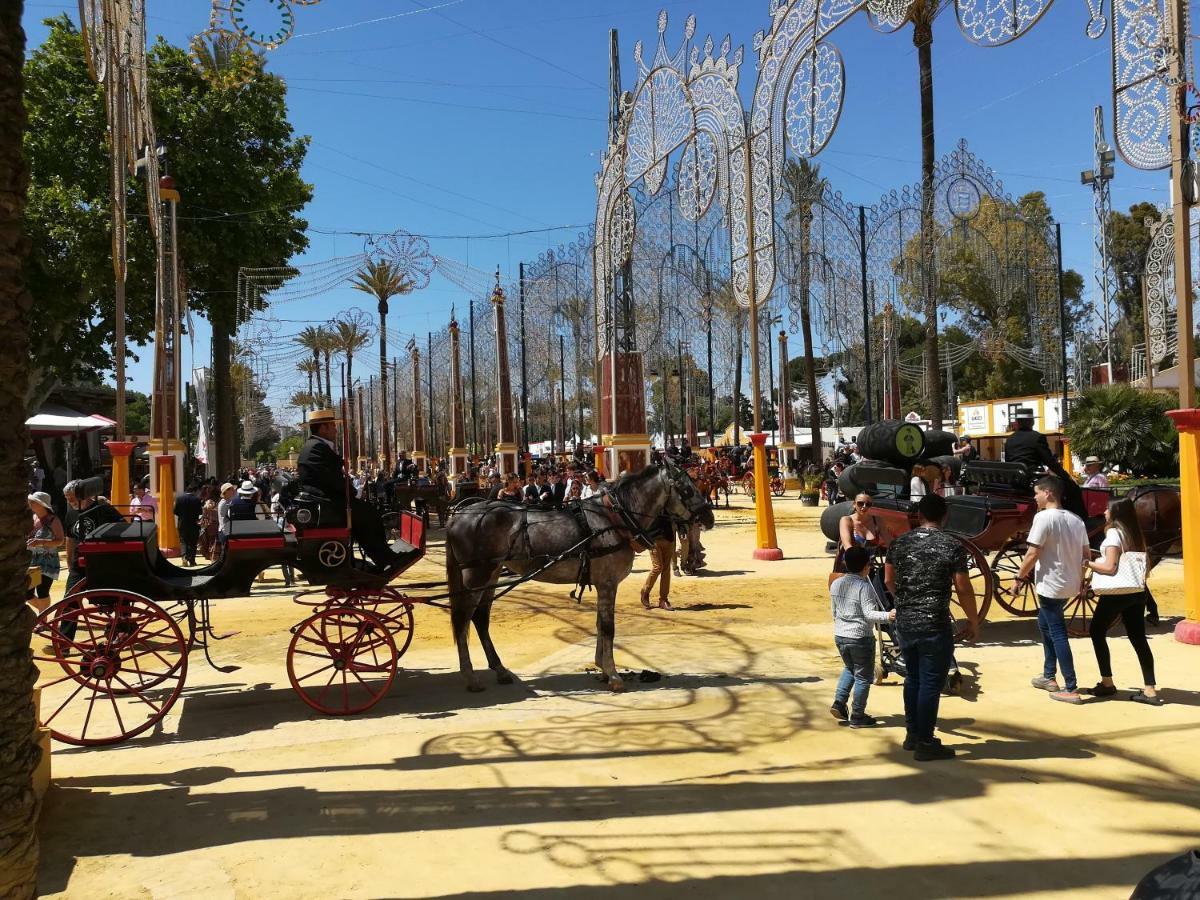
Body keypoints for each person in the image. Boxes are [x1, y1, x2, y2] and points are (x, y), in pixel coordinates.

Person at [885, 494, 980, 760]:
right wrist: (973, 620)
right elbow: (963, 586)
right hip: (934, 622)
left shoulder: (899, 543)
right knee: (929, 682)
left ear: (918, 516)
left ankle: (913, 734)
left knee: (912, 678)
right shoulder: (952, 545)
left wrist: (904, 600)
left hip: (905, 622)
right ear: (944, 515)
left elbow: (888, 579)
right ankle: (926, 742)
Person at [1014, 475, 1090, 705]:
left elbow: (1032, 552)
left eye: (1037, 492)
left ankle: (1070, 686)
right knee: (1045, 623)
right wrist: (1084, 579)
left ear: (1048, 493)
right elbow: (1086, 554)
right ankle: (1049, 676)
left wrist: (1018, 577)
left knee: (1056, 631)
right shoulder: (1076, 520)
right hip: (1069, 581)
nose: (1034, 497)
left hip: (1051, 583)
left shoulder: (1043, 518)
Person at [297, 409, 399, 568]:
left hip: (324, 498)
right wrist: (352, 492)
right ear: (323, 428)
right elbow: (332, 480)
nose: (336, 430)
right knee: (369, 514)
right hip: (325, 501)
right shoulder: (317, 448)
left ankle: (380, 556)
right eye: (332, 426)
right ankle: (384, 558)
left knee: (364, 511)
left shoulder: (314, 446)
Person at [1085, 497, 1159, 704]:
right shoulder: (1135, 534)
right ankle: (1150, 689)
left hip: (1117, 592)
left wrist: (1086, 562)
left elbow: (1110, 567)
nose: (1105, 513)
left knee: (1096, 631)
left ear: (1116, 512)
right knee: (1138, 638)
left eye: (1108, 510)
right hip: (1137, 591)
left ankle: (1107, 682)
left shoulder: (1113, 533)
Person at [830, 545, 896, 728]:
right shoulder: (863, 586)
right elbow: (869, 614)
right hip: (860, 637)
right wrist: (888, 616)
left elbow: (834, 612)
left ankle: (839, 702)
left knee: (850, 668)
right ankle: (858, 715)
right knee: (863, 677)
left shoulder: (836, 583)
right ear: (866, 566)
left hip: (840, 635)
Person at [1004, 409, 1086, 518]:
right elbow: (1050, 462)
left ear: (1017, 422)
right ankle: (1079, 520)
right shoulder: (1037, 437)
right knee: (1072, 488)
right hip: (1033, 481)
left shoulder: (1010, 440)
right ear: (1032, 422)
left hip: (1016, 482)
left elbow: (1008, 462)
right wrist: (1067, 477)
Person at [831, 492, 889, 587]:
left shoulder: (877, 521)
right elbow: (848, 546)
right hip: (848, 569)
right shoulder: (846, 520)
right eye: (860, 503)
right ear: (854, 504)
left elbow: (890, 542)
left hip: (868, 570)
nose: (864, 506)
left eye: (868, 504)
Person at [27, 491, 64, 602]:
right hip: (33, 561)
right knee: (27, 594)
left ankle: (43, 618)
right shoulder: (33, 518)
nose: (30, 503)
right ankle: (43, 615)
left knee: (42, 592)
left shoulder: (53, 520)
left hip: (47, 562)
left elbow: (60, 541)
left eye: (33, 502)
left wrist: (41, 542)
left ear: (42, 504)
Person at [640, 522, 676, 611]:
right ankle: (645, 591)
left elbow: (678, 516)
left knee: (666, 569)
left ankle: (663, 600)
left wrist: (683, 531)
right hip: (654, 538)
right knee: (658, 567)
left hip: (668, 537)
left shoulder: (669, 507)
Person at [174, 482, 203, 566]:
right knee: (193, 543)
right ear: (194, 491)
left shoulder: (179, 499)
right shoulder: (197, 500)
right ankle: (192, 560)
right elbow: (200, 512)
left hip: (182, 524)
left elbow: (175, 511)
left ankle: (184, 557)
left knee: (183, 541)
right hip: (194, 524)